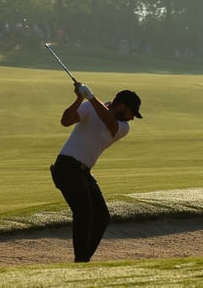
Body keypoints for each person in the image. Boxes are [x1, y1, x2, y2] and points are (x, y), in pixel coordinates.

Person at [50, 82, 142, 263]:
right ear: (122, 106)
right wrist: (79, 99)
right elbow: (65, 121)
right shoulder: (91, 107)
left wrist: (91, 98)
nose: (132, 119)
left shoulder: (123, 127)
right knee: (84, 212)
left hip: (83, 172)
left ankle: (83, 260)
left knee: (102, 216)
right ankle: (81, 261)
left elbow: (109, 121)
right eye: (132, 113)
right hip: (67, 167)